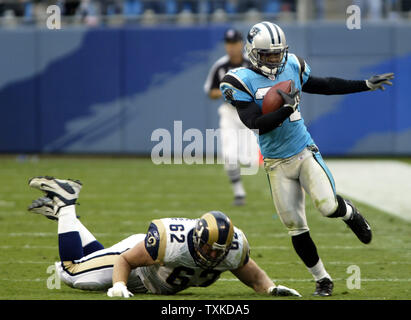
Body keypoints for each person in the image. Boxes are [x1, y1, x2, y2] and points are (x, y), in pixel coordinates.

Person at [219, 21, 394, 296]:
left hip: (303, 152)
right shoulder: (238, 81)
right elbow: (256, 122)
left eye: (279, 53)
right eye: (269, 55)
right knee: (295, 227)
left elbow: (323, 85)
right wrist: (286, 109)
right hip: (276, 162)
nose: (275, 59)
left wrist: (365, 84)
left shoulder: (292, 65)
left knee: (327, 206)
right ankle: (322, 279)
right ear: (253, 52)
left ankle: (348, 212)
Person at [27, 176, 301, 298]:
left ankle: (64, 215)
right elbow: (124, 260)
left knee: (90, 263)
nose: (215, 255)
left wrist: (271, 289)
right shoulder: (170, 239)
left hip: (151, 281)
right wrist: (120, 284)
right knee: (71, 273)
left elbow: (253, 277)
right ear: (197, 239)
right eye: (210, 248)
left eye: (220, 250)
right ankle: (66, 203)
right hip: (139, 263)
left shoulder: (232, 249)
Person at [204, 28, 259, 206]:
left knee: (251, 159)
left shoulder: (252, 64)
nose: (232, 47)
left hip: (249, 111)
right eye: (229, 43)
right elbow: (210, 91)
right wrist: (225, 92)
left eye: (235, 43)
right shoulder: (220, 66)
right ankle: (239, 193)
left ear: (241, 44)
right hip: (229, 112)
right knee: (229, 154)